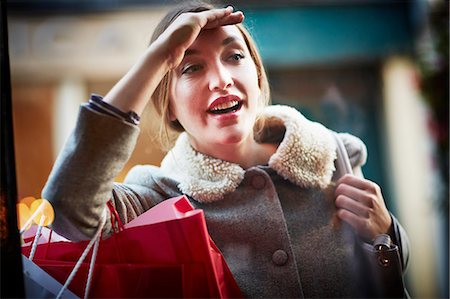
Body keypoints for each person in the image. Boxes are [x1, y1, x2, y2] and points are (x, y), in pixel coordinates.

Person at [42, 1, 410, 297]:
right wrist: (158, 57)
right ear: (167, 104)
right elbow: (69, 208)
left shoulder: (332, 155)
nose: (221, 79)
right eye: (190, 67)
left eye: (234, 57)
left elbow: (388, 277)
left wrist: (387, 234)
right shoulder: (156, 198)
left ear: (258, 76)